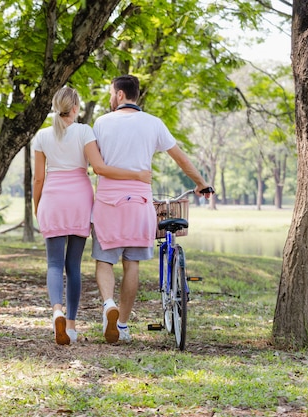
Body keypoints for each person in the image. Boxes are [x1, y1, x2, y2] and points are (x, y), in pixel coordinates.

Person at [91, 75, 213, 344]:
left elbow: (95, 163)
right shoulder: (153, 124)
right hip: (140, 203)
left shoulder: (101, 123)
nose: (110, 98)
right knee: (131, 263)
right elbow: (180, 158)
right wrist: (201, 183)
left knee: (104, 260)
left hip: (108, 203)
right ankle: (121, 324)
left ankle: (108, 304)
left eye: (112, 93)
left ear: (120, 95)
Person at [32, 86, 152, 345]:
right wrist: (136, 175)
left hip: (52, 200)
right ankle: (72, 327)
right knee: (72, 265)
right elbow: (99, 167)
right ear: (75, 108)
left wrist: (37, 205)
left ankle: (57, 312)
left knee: (53, 264)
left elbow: (38, 178)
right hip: (79, 201)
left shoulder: (41, 136)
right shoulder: (85, 131)